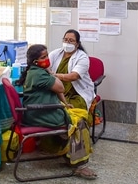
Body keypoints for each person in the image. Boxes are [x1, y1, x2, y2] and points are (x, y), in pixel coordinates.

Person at [18, 43, 97, 180]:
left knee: (77, 113)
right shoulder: (39, 74)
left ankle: (68, 154)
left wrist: (65, 104)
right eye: (44, 56)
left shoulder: (36, 71)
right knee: (79, 122)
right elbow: (60, 87)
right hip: (41, 114)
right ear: (35, 61)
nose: (48, 58)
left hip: (43, 110)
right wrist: (51, 73)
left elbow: (56, 90)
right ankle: (79, 165)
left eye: (47, 55)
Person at [47, 29, 96, 125]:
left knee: (70, 113)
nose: (67, 42)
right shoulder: (55, 54)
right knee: (50, 111)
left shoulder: (82, 57)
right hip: (58, 92)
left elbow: (74, 76)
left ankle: (72, 134)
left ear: (77, 44)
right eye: (65, 40)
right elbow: (46, 68)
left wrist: (55, 75)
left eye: (71, 40)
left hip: (77, 94)